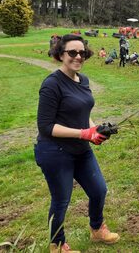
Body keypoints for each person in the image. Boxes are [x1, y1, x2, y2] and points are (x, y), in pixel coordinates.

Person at [35, 34, 119, 253]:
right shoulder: (52, 85)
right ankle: (57, 245)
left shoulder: (84, 80)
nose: (78, 56)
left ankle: (97, 229)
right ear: (60, 54)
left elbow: (83, 113)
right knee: (61, 200)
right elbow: (46, 126)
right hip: (54, 152)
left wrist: (95, 130)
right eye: (72, 52)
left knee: (99, 190)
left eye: (81, 52)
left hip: (81, 150)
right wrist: (84, 133)